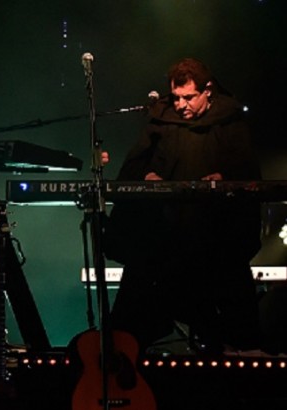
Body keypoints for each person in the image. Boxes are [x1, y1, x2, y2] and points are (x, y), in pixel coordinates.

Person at [104, 58, 262, 355]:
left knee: (233, 304)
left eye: (189, 97)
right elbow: (132, 169)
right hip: (163, 237)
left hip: (214, 240)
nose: (181, 105)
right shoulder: (161, 119)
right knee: (134, 300)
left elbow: (248, 173)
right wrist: (145, 176)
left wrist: (226, 179)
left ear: (208, 91)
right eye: (176, 98)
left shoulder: (230, 121)